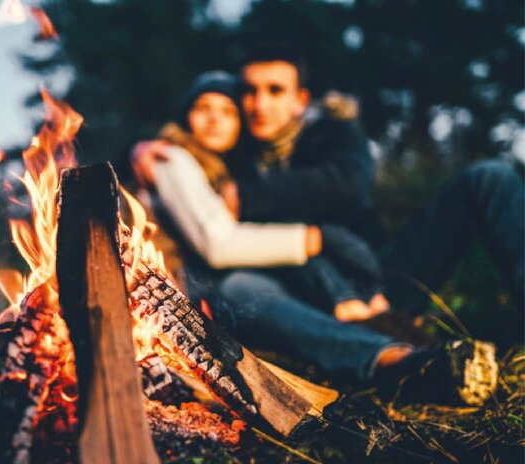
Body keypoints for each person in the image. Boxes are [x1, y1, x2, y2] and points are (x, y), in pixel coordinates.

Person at [131, 45, 516, 402]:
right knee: (237, 287)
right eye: (249, 91)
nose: (259, 104)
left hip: (377, 275)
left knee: (487, 177)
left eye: (275, 90)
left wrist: (248, 197)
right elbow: (189, 178)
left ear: (300, 100)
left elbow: (350, 184)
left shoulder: (330, 133)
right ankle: (391, 359)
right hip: (302, 296)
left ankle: (384, 321)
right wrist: (140, 149)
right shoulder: (232, 151)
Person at [148, 70, 390, 323]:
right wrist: (313, 239)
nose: (214, 119)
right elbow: (218, 245)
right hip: (176, 289)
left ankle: (361, 303)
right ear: (186, 115)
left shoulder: (235, 171)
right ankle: (352, 306)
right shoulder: (170, 157)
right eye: (202, 107)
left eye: (228, 112)